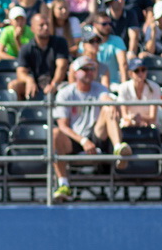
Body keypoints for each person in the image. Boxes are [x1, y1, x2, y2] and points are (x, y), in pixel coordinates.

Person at [51, 56, 130, 203]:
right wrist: (83, 141)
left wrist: (110, 102)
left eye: (92, 69)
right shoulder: (65, 93)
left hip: (96, 136)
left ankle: (118, 149)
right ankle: (63, 184)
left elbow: (105, 97)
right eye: (85, 69)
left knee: (108, 108)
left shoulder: (99, 88)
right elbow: (62, 126)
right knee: (55, 133)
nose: (89, 72)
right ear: (75, 73)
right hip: (75, 139)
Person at [13, 12, 70, 100]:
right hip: (35, 85)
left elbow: (62, 66)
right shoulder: (26, 48)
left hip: (58, 84)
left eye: (47, 24)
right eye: (41, 25)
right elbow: (20, 71)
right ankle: (19, 108)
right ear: (32, 28)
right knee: (14, 85)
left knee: (68, 87)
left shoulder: (60, 42)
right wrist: (29, 80)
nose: (46, 27)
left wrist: (54, 84)